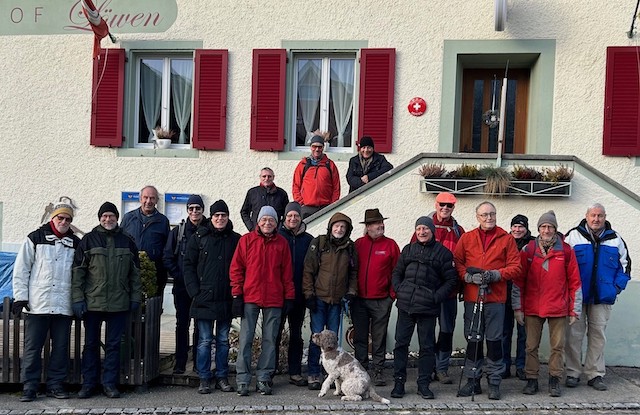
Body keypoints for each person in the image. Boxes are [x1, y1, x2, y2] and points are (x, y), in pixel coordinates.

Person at [12, 202, 81, 402]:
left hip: (63, 304)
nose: (64, 222)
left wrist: (77, 300)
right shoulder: (35, 238)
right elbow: (21, 269)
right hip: (38, 303)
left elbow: (79, 276)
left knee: (60, 348)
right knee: (33, 347)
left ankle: (56, 385)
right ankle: (29, 386)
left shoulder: (75, 244)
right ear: (53, 218)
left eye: (68, 219)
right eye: (61, 218)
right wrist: (21, 297)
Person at [72, 202, 141, 399]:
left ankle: (109, 384)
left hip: (119, 303)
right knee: (91, 345)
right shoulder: (88, 240)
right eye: (104, 216)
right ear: (99, 218)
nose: (108, 219)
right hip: (93, 303)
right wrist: (77, 299)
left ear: (117, 218)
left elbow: (135, 274)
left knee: (113, 345)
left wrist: (135, 297)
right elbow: (78, 273)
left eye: (111, 216)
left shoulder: (127, 241)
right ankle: (89, 383)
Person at [453, 201, 521, 400]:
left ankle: (494, 381)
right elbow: (457, 262)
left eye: (492, 214)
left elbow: (516, 267)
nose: (488, 218)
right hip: (473, 298)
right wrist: (466, 276)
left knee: (494, 342)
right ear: (477, 217)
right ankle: (473, 381)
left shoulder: (506, 239)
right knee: (473, 340)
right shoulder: (467, 238)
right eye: (484, 215)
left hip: (496, 298)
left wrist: (496, 275)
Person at [512, 211, 582, 397]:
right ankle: (532, 380)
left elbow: (575, 282)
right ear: (538, 229)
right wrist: (518, 308)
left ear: (555, 229)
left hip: (558, 307)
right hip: (533, 307)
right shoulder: (528, 250)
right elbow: (519, 281)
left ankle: (554, 380)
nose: (547, 230)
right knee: (530, 346)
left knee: (557, 347)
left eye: (550, 227)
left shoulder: (566, 251)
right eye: (543, 226)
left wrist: (574, 310)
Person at [564, 203, 631, 392]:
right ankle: (572, 372)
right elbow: (562, 265)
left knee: (597, 336)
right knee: (574, 336)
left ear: (605, 217)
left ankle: (595, 374)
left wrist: (616, 288)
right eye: (593, 215)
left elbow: (625, 267)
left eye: (600, 215)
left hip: (603, 297)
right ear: (586, 216)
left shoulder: (615, 239)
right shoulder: (572, 236)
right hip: (577, 296)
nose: (596, 219)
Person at [390, 216, 458, 400]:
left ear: (432, 231)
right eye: (419, 228)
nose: (422, 232)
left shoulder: (443, 253)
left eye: (425, 229)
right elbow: (397, 273)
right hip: (405, 306)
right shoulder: (408, 249)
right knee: (401, 345)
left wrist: (435, 297)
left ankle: (424, 384)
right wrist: (399, 289)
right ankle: (399, 383)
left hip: (428, 309)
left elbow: (451, 280)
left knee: (427, 348)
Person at [230, 206, 294, 397]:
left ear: (276, 223)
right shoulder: (246, 241)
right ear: (258, 222)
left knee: (270, 340)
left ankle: (264, 378)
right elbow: (236, 269)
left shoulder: (281, 244)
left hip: (274, 298)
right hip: (250, 297)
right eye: (264, 220)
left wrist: (289, 296)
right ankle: (242, 379)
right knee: (246, 339)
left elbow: (287, 273)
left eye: (271, 220)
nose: (267, 223)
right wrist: (236, 294)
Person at [183, 199, 241, 394]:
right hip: (203, 297)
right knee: (205, 341)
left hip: (226, 297)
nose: (220, 218)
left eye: (223, 215)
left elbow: (241, 267)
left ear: (227, 217)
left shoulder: (235, 239)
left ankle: (222, 377)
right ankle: (204, 378)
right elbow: (188, 265)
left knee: (224, 340)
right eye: (216, 215)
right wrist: (194, 291)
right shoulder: (199, 237)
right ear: (211, 217)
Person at [409, 192, 465, 385]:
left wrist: (461, 287)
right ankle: (429, 367)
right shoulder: (424, 227)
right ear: (436, 204)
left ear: (453, 208)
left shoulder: (459, 231)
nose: (445, 208)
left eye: (449, 205)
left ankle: (442, 368)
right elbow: (411, 257)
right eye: (442, 204)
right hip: (426, 292)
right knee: (427, 331)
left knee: (447, 330)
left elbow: (462, 261)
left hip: (448, 292)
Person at [303, 212, 358, 390]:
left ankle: (333, 375)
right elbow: (308, 270)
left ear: (347, 229)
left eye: (343, 226)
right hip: (318, 298)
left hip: (337, 300)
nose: (339, 229)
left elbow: (353, 273)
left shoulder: (350, 247)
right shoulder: (319, 243)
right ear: (331, 227)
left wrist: (351, 292)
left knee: (333, 340)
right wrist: (309, 294)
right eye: (336, 226)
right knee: (317, 337)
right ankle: (313, 373)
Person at [352, 208, 400, 386]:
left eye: (381, 222)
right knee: (360, 337)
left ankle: (378, 370)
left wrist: (391, 295)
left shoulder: (391, 245)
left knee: (379, 338)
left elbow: (397, 271)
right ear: (368, 227)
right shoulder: (358, 244)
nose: (380, 225)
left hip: (381, 300)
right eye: (376, 223)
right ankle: (361, 370)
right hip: (359, 300)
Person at [163, 195, 205, 375]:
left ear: (203, 210)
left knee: (200, 326)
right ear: (187, 210)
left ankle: (198, 363)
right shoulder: (178, 232)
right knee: (182, 324)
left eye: (198, 208)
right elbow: (167, 257)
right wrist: (180, 276)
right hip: (181, 287)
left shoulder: (209, 230)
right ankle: (180, 362)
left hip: (202, 288)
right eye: (191, 208)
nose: (194, 212)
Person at [275, 202, 314, 387]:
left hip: (299, 295)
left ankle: (295, 372)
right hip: (278, 295)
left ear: (301, 218)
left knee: (296, 335)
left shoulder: (308, 240)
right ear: (284, 217)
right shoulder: (276, 236)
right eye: (289, 215)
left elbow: (312, 268)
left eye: (296, 216)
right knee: (274, 334)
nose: (293, 219)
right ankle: (270, 370)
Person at [121, 185, 170, 297]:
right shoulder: (128, 218)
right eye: (145, 197)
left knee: (152, 310)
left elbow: (167, 248)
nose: (148, 201)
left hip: (155, 275)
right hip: (130, 273)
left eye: (152, 198)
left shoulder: (163, 221)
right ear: (140, 199)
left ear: (157, 200)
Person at [503, 214, 534, 380]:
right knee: (504, 332)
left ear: (526, 228)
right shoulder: (504, 241)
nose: (517, 229)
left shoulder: (533, 244)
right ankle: (504, 366)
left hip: (525, 296)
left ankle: (521, 366)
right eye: (514, 226)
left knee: (524, 334)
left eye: (520, 226)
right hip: (505, 294)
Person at [292, 135, 341, 219]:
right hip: (306, 208)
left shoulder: (330, 165)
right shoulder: (303, 164)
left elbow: (336, 187)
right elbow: (296, 186)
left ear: (323, 147)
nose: (317, 149)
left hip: (326, 207)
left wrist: (333, 204)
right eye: (314, 146)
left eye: (319, 147)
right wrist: (301, 203)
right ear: (310, 147)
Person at [240, 167, 289, 231]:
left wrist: (280, 228)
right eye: (264, 176)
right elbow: (244, 212)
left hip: (276, 233)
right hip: (256, 233)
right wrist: (251, 228)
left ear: (273, 177)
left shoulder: (281, 193)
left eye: (269, 176)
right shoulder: (252, 192)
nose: (266, 178)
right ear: (260, 177)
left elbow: (287, 214)